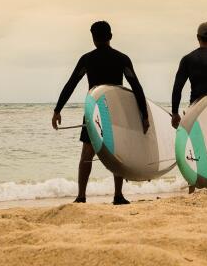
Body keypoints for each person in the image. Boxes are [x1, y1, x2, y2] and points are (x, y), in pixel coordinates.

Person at [51, 21, 149, 205]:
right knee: (117, 152)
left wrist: (58, 110)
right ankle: (118, 195)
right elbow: (136, 87)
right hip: (115, 112)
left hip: (94, 112)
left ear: (93, 38)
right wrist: (144, 115)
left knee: (87, 154)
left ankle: (81, 196)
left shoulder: (87, 59)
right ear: (110, 36)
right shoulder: (122, 59)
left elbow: (71, 84)